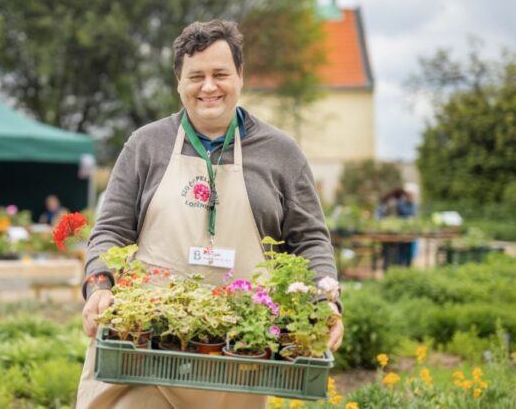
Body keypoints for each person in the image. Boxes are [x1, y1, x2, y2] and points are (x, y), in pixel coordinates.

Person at [76, 20, 344, 408]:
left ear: (240, 76)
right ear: (179, 82)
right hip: (148, 352)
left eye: (220, 74)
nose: (208, 87)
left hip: (239, 359)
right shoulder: (145, 145)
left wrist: (326, 299)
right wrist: (100, 284)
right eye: (195, 76)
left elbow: (310, 238)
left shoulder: (281, 153)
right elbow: (111, 230)